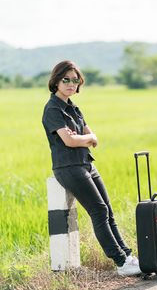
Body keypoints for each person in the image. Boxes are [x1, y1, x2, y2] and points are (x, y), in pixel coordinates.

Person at [42, 60, 141, 276]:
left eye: (75, 80)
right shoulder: (52, 109)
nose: (70, 83)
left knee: (108, 210)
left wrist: (84, 138)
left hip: (86, 164)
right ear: (56, 81)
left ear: (79, 84)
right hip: (69, 167)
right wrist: (85, 138)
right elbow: (69, 141)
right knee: (99, 211)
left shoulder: (74, 108)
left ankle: (127, 256)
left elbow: (90, 136)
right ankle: (121, 262)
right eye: (65, 79)